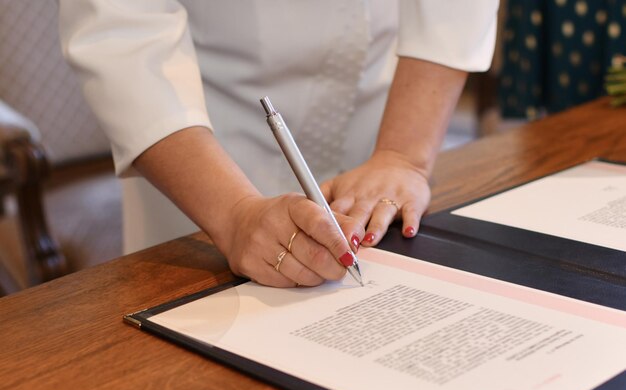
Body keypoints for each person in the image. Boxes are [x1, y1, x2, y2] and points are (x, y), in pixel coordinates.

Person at [58, 1, 498, 288]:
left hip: (390, 107)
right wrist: (233, 216)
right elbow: (123, 34)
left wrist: (404, 154)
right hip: (204, 152)